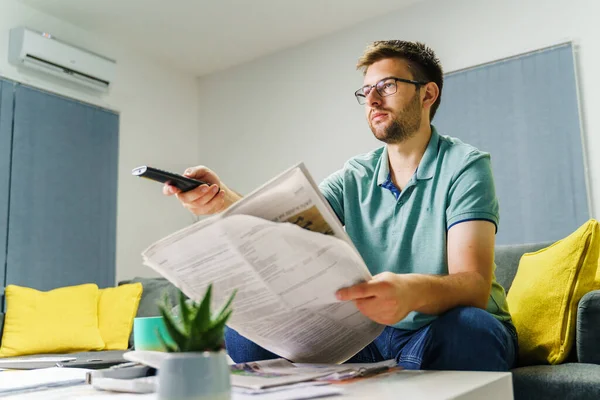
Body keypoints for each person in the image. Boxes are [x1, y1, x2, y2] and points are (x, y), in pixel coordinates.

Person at [164, 40, 517, 372]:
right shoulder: (355, 174)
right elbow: (282, 224)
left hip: (437, 330)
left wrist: (410, 292)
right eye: (366, 91)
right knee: (246, 333)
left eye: (387, 86)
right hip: (370, 337)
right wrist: (220, 196)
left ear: (428, 92)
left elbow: (472, 286)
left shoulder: (465, 165)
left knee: (472, 327)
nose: (373, 100)